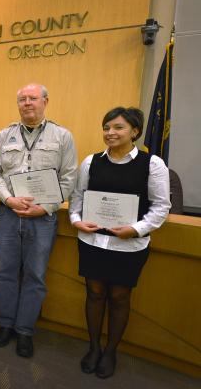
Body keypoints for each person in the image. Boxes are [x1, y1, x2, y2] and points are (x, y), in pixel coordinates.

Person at [69, 107, 170, 378]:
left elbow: (161, 207)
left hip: (129, 246)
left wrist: (136, 230)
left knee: (119, 297)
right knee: (94, 293)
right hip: (92, 241)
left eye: (118, 127)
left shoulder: (152, 164)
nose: (110, 133)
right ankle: (93, 347)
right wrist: (76, 220)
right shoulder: (92, 162)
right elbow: (77, 197)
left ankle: (111, 351)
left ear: (135, 131)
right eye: (106, 128)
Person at [0, 83, 77, 358]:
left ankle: (25, 330)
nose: (27, 103)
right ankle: (6, 324)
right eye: (22, 99)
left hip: (42, 218)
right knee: (5, 273)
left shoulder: (62, 136)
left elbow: (69, 178)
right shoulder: (5, 136)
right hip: (8, 215)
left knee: (35, 276)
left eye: (33, 98)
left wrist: (47, 206)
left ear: (45, 102)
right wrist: (7, 199)